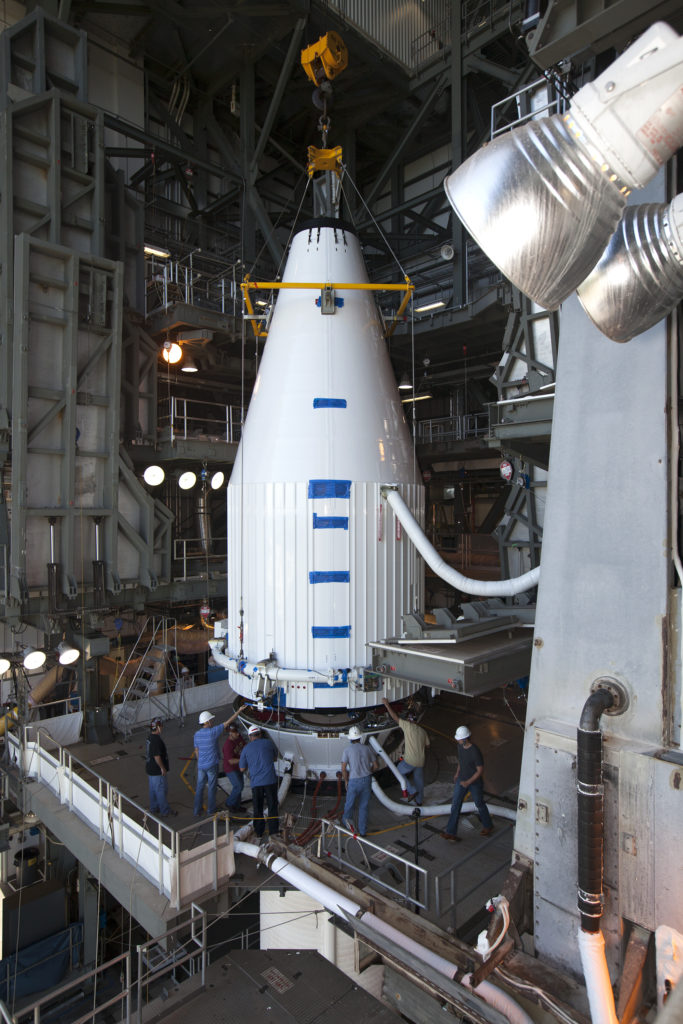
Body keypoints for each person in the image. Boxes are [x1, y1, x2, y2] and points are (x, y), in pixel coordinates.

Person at [441, 725, 494, 842]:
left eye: (459, 739)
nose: (458, 741)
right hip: (462, 779)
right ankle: (450, 832)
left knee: (479, 803)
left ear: (465, 739)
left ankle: (488, 825)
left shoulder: (475, 751)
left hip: (474, 783)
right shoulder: (460, 747)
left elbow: (480, 770)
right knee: (455, 805)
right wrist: (457, 773)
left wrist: (468, 782)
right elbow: (461, 760)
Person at [193, 706, 242, 816]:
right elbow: (227, 722)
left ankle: (197, 811)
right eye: (211, 720)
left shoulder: (196, 735)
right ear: (208, 721)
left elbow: (196, 750)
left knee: (199, 787)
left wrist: (200, 761)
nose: (212, 722)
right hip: (212, 765)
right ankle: (211, 810)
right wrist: (238, 711)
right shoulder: (213, 732)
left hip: (201, 765)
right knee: (211, 787)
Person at [382, 697, 430, 806]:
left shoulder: (408, 727)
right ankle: (419, 801)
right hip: (421, 761)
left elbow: (395, 717)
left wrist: (386, 704)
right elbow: (428, 746)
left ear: (409, 720)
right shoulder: (423, 731)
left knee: (398, 772)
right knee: (419, 780)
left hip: (410, 760)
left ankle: (412, 791)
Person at [239, 725, 279, 838]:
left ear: (250, 736)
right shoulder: (268, 743)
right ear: (260, 734)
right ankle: (274, 831)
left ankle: (259, 831)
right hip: (270, 780)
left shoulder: (246, 749)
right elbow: (275, 757)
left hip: (256, 783)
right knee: (272, 806)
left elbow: (242, 768)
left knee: (258, 808)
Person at [340, 725, 379, 837]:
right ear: (360, 737)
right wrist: (368, 771)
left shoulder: (347, 750)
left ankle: (348, 824)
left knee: (349, 804)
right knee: (364, 806)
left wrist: (346, 781)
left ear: (350, 738)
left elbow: (343, 769)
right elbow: (376, 766)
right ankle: (362, 831)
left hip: (354, 780)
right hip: (367, 780)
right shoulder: (367, 748)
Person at [146, 718, 177, 818]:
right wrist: (162, 768)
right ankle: (165, 810)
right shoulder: (156, 740)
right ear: (158, 727)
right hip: (156, 770)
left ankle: (154, 808)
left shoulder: (150, 738)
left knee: (153, 790)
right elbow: (157, 756)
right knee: (161, 790)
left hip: (150, 769)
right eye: (161, 726)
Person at [222, 721, 246, 811]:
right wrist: (242, 760)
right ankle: (229, 803)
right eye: (235, 732)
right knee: (238, 786)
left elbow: (245, 746)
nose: (238, 734)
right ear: (230, 733)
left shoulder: (239, 737)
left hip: (238, 767)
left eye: (237, 732)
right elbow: (231, 761)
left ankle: (237, 805)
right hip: (230, 769)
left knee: (240, 786)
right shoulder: (227, 745)